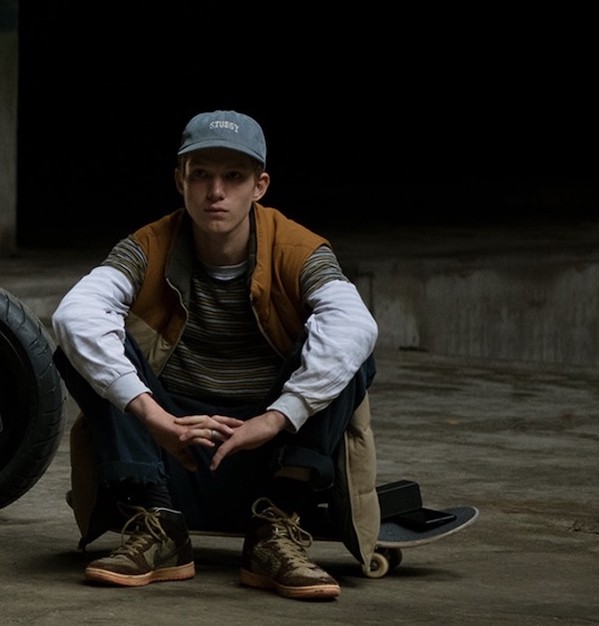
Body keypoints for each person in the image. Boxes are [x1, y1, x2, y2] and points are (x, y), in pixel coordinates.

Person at [50, 109, 379, 600]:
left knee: (350, 346)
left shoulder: (298, 249)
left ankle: (275, 532)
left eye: (233, 176)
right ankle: (158, 526)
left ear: (260, 185)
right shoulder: (148, 246)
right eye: (200, 174)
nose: (215, 191)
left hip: (268, 457)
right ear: (179, 180)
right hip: (168, 454)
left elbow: (355, 326)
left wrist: (275, 420)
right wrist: (153, 416)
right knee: (81, 341)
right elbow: (74, 315)